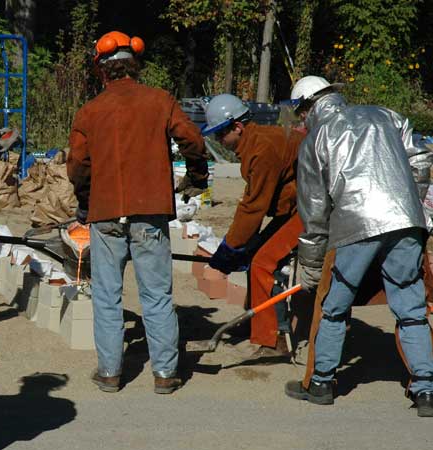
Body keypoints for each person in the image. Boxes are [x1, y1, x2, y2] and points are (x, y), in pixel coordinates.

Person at [283, 76, 433, 417]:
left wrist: (311, 264)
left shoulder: (315, 139)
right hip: (406, 222)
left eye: (301, 114)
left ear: (308, 107)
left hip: (356, 226)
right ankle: (426, 390)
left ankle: (322, 383)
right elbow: (421, 162)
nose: (301, 121)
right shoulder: (386, 115)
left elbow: (313, 211)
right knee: (411, 307)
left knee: (334, 306)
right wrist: (408, 204)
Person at [67, 31, 209, 395]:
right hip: (150, 213)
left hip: (106, 214)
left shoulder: (90, 110)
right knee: (157, 295)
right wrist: (197, 176)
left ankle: (110, 374)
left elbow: (78, 166)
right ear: (136, 68)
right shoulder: (160, 100)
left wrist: (87, 201)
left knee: (107, 294)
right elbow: (192, 139)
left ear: (102, 71)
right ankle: (164, 374)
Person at [201, 94, 306, 357]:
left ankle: (273, 341)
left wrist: (223, 259)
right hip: (296, 208)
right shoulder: (256, 141)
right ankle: (258, 320)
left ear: (237, 127)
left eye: (220, 135)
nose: (217, 141)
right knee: (254, 254)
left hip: (310, 212)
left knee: (262, 263)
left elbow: (253, 207)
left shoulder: (262, 148)